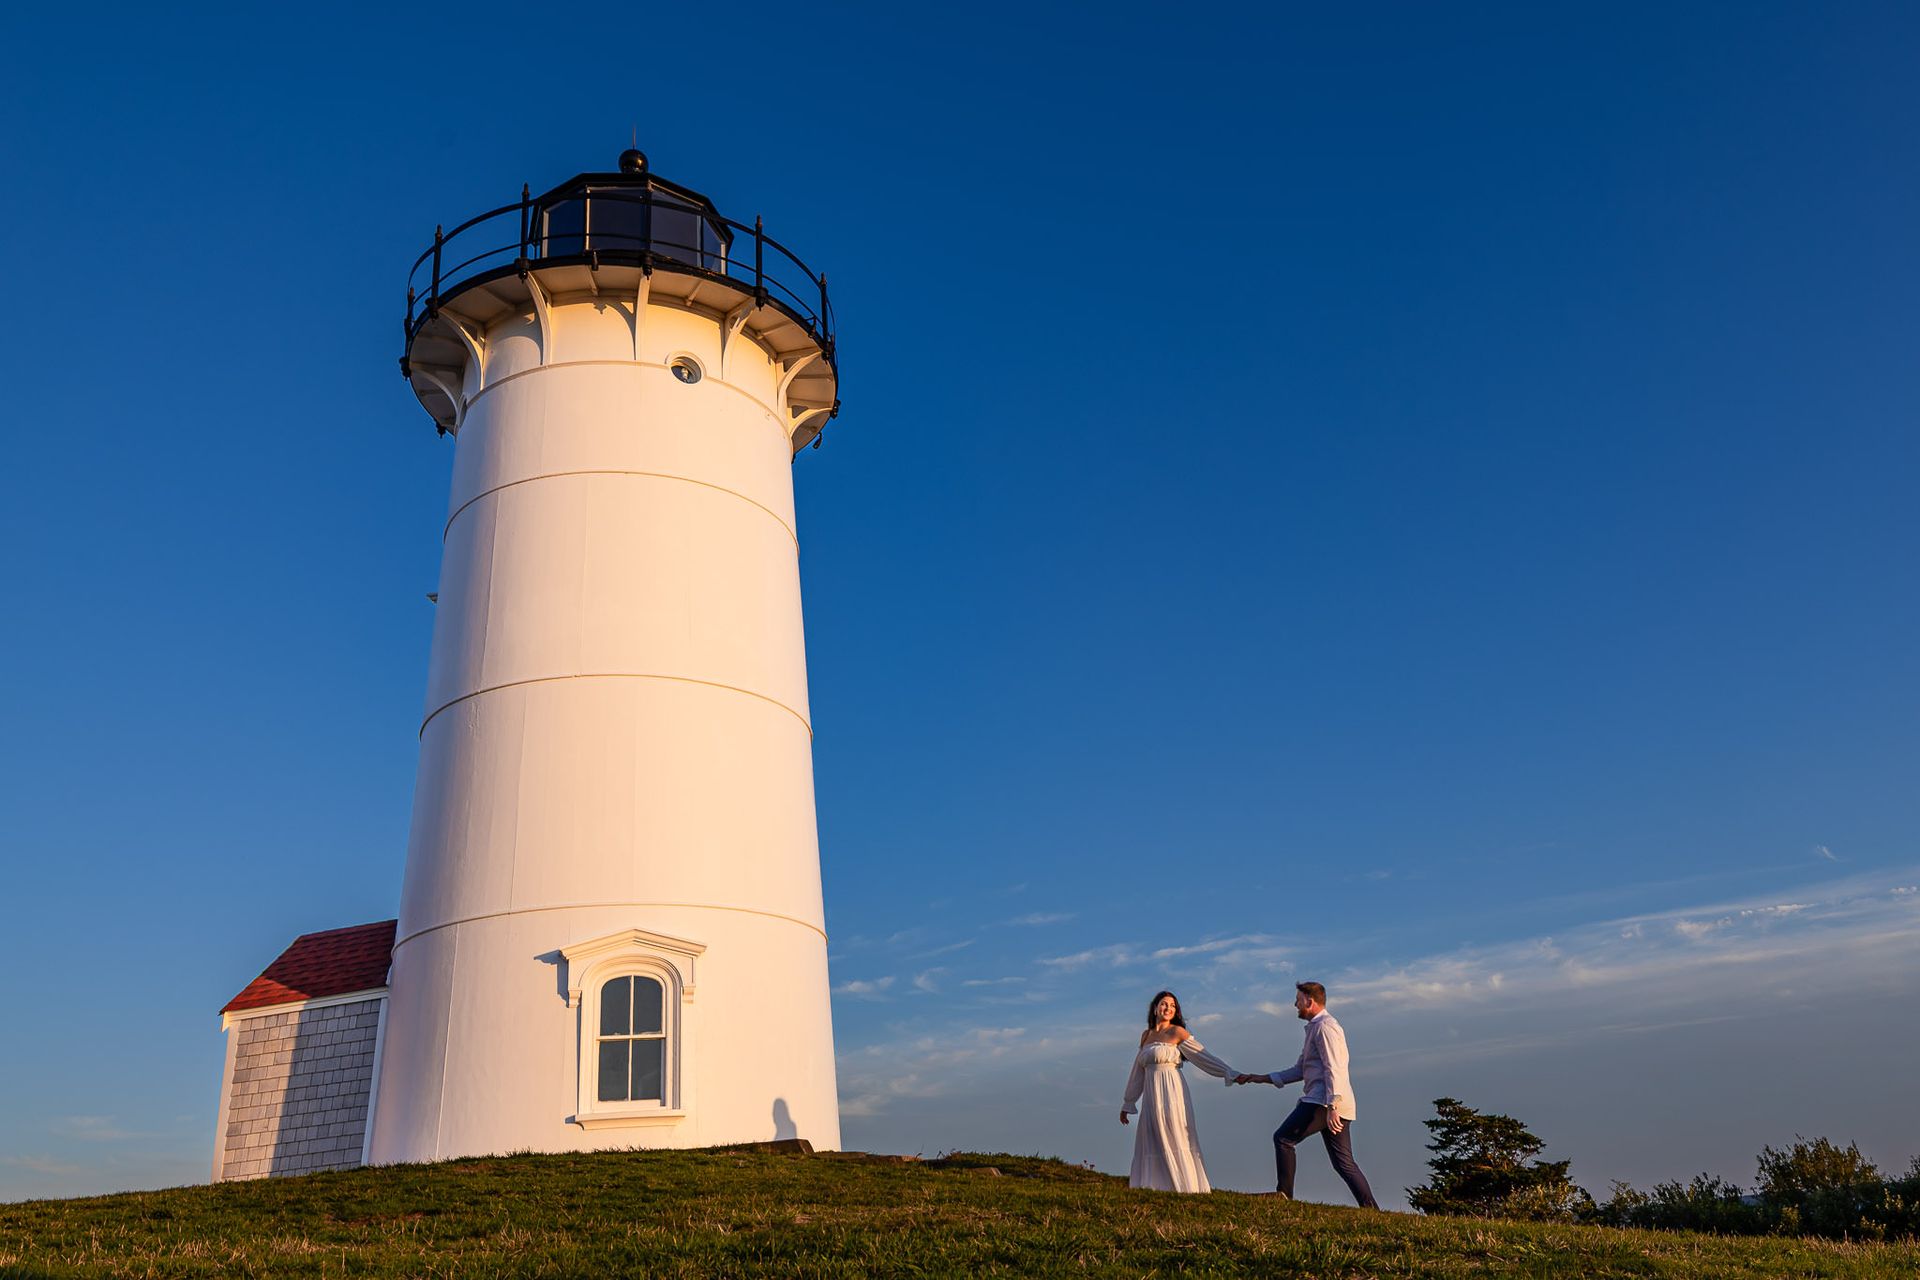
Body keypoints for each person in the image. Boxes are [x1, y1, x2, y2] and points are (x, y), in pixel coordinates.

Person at [1234, 981, 1379, 1208]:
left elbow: (1335, 1067)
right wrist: (1259, 1077)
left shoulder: (1325, 1027)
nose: (1295, 1004)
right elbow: (1300, 1070)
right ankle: (1372, 1210)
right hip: (1332, 1101)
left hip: (1324, 1100)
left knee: (1283, 1139)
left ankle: (1283, 1195)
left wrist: (1332, 1107)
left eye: (1298, 1000)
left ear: (1309, 1001)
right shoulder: (1315, 1028)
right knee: (1344, 1164)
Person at [1119, 990, 1238, 1192]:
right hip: (1151, 1093)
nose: (1168, 1008)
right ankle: (1153, 1185)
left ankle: (1184, 1186)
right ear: (1155, 1008)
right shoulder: (1146, 1035)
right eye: (1164, 1004)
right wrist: (1128, 1102)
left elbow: (1203, 1056)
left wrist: (1228, 1072)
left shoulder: (1177, 1032)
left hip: (1171, 1091)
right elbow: (1137, 1070)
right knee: (1152, 1133)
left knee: (1174, 1132)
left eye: (1173, 1006)